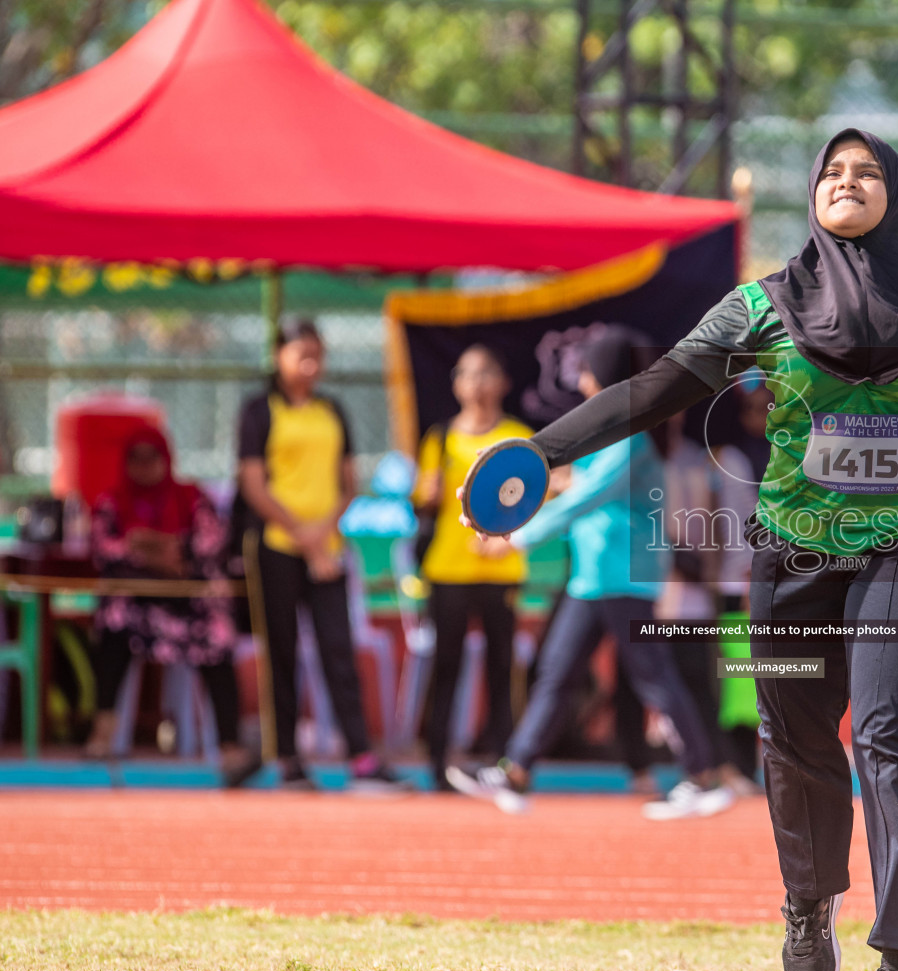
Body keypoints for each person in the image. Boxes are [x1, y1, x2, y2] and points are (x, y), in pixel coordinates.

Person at [464, 129, 898, 971]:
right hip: (794, 548)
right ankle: (809, 900)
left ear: (896, 196)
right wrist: (539, 451)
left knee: (891, 731)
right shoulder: (762, 306)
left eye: (868, 172)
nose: (848, 182)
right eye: (832, 171)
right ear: (814, 195)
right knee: (791, 733)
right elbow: (651, 390)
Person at [450, 328, 736, 821]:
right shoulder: (612, 437)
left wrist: (517, 536)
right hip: (593, 578)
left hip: (624, 578)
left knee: (655, 679)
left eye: (587, 370)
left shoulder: (629, 437)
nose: (580, 379)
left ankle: (704, 775)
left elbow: (589, 498)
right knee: (557, 674)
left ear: (604, 377)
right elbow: (579, 485)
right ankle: (515, 770)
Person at [237, 318, 406, 791]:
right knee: (283, 652)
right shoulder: (259, 411)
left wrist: (322, 534)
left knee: (338, 649)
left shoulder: (332, 409)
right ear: (279, 356)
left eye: (317, 356)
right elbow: (253, 483)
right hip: (276, 547)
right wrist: (302, 535)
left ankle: (361, 759)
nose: (310, 365)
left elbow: (348, 483)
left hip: (327, 549)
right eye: (301, 355)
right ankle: (288, 758)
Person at [82, 426, 260, 785]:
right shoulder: (112, 501)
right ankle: (103, 733)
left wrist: (148, 546)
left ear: (166, 459)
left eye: (153, 457)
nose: (144, 465)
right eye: (136, 457)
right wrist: (165, 553)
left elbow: (208, 546)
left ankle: (230, 745)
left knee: (218, 633)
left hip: (187, 604)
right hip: (137, 604)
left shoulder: (192, 498)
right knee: (113, 622)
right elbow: (105, 550)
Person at [412, 344, 533, 791]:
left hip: (501, 569)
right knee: (447, 666)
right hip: (449, 569)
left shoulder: (518, 436)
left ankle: (503, 761)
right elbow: (423, 500)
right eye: (468, 374)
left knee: (502, 670)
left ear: (503, 382)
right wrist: (425, 492)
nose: (477, 383)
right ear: (456, 384)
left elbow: (533, 501)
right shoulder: (440, 437)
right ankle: (438, 762)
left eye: (486, 373)